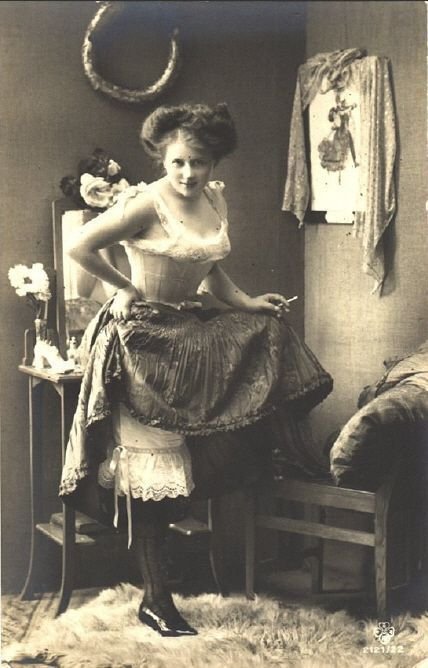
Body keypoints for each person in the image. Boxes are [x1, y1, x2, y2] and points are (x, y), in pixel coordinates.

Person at [59, 102, 333, 637]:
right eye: (179, 162)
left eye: (200, 162)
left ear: (215, 161)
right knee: (152, 467)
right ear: (163, 158)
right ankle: (156, 600)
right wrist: (123, 288)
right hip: (141, 344)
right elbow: (80, 246)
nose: (188, 174)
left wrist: (248, 303)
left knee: (263, 349)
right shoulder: (145, 202)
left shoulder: (214, 200)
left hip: (188, 342)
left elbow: (209, 272)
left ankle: (166, 585)